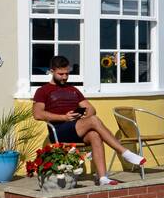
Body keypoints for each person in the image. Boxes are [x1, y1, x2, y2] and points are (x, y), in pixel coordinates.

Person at [32, 55, 145, 187]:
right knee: (93, 121)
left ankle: (103, 178)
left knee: (94, 134)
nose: (64, 77)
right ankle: (124, 152)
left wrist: (83, 117)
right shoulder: (43, 91)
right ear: (52, 71)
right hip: (59, 131)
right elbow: (37, 114)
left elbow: (91, 108)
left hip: (76, 128)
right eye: (61, 74)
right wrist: (64, 117)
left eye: (67, 74)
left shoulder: (73, 90)